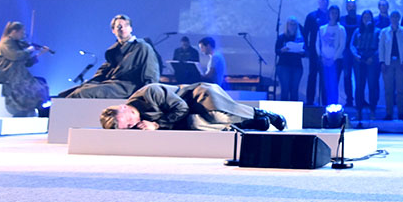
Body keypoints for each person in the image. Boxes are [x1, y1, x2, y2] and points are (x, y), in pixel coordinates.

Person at [99, 82, 286, 132]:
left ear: (124, 107)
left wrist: (156, 124)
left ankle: (259, 114)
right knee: (196, 124)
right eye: (127, 127)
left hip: (195, 96)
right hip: (186, 118)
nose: (132, 124)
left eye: (128, 120)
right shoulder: (136, 125)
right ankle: (244, 125)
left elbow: (181, 108)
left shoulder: (150, 93)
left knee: (216, 114)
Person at [60, 14, 159, 98]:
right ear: (113, 30)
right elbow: (103, 72)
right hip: (111, 84)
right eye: (119, 26)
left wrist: (147, 97)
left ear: (131, 28)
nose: (123, 28)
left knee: (82, 93)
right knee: (65, 94)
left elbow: (151, 73)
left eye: (126, 25)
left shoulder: (142, 47)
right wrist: (89, 83)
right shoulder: (113, 51)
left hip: (128, 86)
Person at [0, 21, 50, 116]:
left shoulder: (15, 43)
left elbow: (27, 63)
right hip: (9, 74)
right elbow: (16, 56)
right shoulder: (6, 42)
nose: (23, 35)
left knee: (41, 83)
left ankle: (33, 109)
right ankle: (22, 109)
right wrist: (29, 50)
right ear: (14, 31)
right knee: (31, 87)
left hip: (20, 74)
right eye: (22, 32)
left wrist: (39, 54)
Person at [379, 10, 403, 120]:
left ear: (399, 18)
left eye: (397, 17)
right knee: (388, 90)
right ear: (390, 18)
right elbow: (381, 48)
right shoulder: (384, 32)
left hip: (400, 63)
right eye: (393, 17)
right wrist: (382, 62)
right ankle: (389, 113)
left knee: (401, 90)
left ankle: (401, 113)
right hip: (388, 63)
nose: (394, 19)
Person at [350, 10, 380, 121]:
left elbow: (380, 46)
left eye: (368, 17)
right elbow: (352, 45)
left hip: (372, 60)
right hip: (359, 59)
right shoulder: (357, 31)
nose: (366, 19)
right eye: (364, 17)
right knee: (359, 86)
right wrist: (356, 55)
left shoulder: (377, 31)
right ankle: (358, 112)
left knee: (372, 86)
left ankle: (372, 111)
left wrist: (373, 57)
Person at [316, 5, 346, 105]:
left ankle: (333, 108)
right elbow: (317, 44)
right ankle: (324, 107)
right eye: (332, 12)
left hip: (336, 61)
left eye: (336, 13)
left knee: (333, 85)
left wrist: (333, 59)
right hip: (323, 60)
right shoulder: (322, 29)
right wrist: (322, 57)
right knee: (324, 85)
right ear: (329, 14)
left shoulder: (341, 29)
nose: (333, 15)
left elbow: (342, 45)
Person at [303, 0, 330, 105]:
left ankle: (325, 101)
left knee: (325, 77)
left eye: (326, 0)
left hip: (327, 51)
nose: (324, 2)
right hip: (314, 51)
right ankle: (310, 100)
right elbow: (305, 34)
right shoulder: (312, 16)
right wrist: (307, 49)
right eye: (322, 0)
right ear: (318, 1)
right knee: (312, 75)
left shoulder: (331, 15)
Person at [275, 16, 305, 101]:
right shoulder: (282, 37)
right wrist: (282, 50)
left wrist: (302, 52)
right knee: (285, 89)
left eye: (294, 24)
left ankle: (295, 108)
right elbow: (276, 51)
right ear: (287, 25)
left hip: (297, 66)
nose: (292, 26)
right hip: (284, 66)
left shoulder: (300, 38)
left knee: (294, 90)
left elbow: (305, 52)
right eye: (290, 24)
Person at [340, 0, 360, 107]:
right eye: (349, 6)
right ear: (346, 7)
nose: (351, 8)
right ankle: (349, 100)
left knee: (359, 77)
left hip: (358, 51)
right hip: (346, 51)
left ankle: (360, 99)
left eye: (353, 6)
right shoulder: (342, 19)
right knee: (347, 76)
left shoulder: (360, 18)